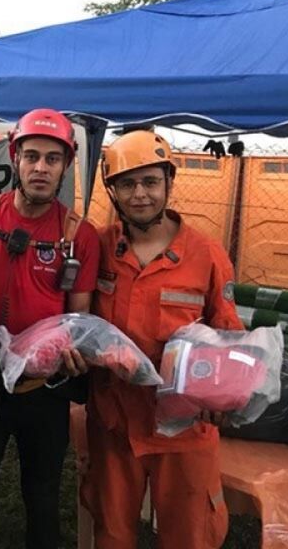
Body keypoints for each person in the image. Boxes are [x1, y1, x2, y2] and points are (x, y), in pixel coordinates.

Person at [0, 108, 101, 549]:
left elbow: (79, 316)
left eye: (52, 159)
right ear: (14, 158)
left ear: (66, 166)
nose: (40, 168)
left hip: (43, 383)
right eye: (31, 156)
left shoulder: (78, 235)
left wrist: (71, 352)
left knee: (43, 494)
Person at [81, 130, 244, 549]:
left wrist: (225, 397)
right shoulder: (98, 247)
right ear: (112, 190)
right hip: (114, 423)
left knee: (189, 536)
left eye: (150, 182)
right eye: (127, 184)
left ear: (169, 184)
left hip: (183, 431)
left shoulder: (206, 255)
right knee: (112, 534)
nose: (140, 195)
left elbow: (228, 337)